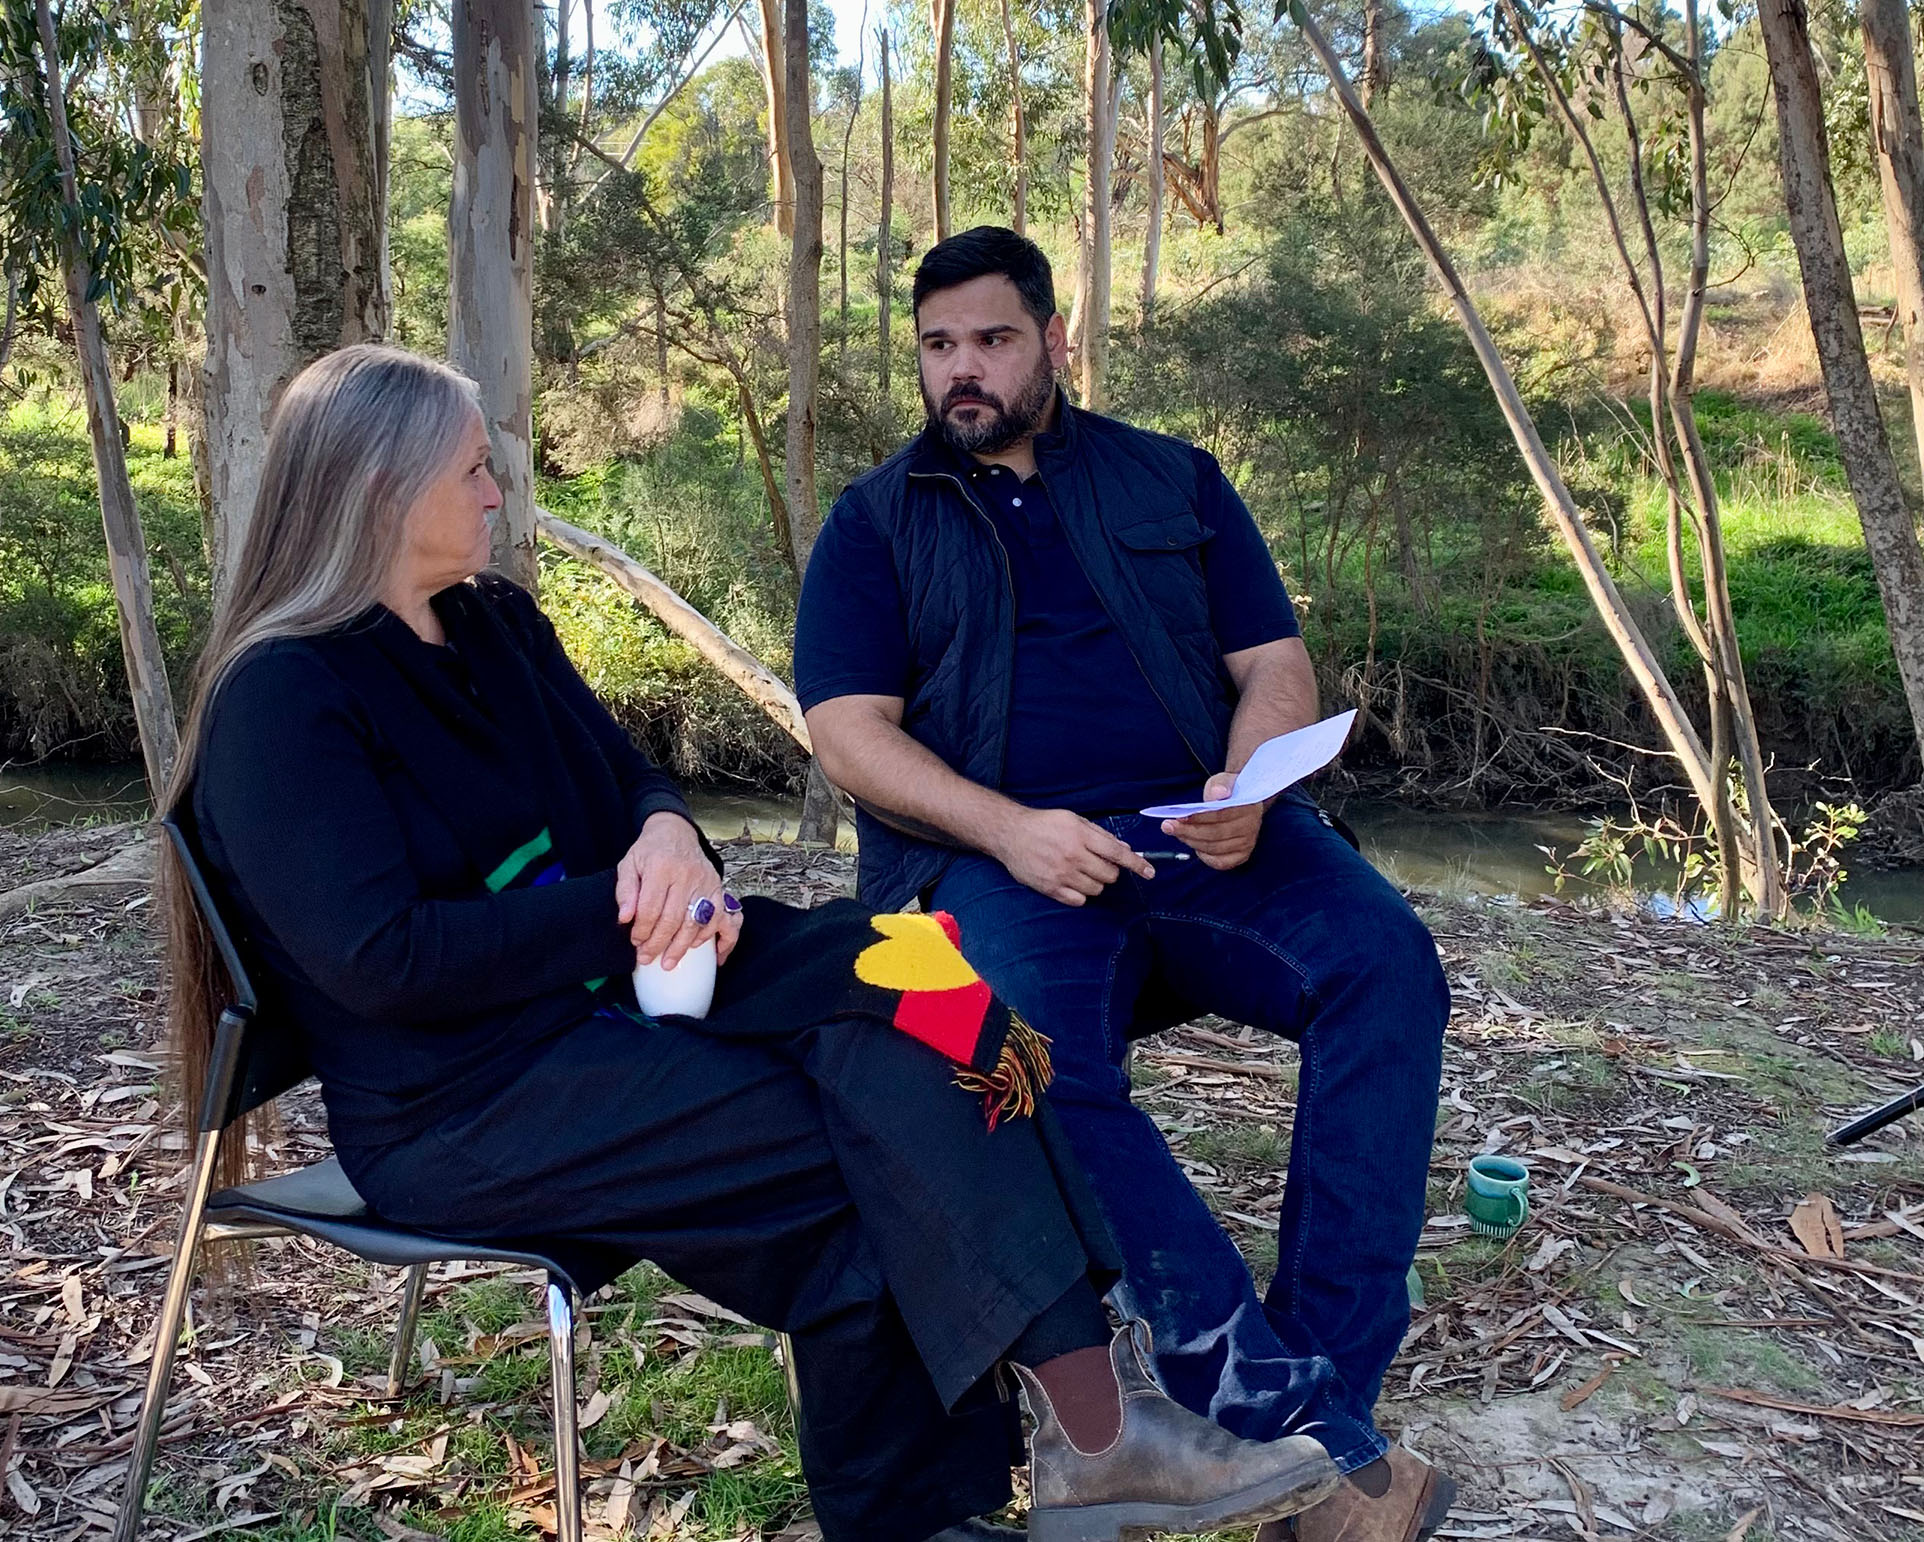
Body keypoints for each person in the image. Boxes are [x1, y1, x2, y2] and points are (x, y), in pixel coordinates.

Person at [158, 342, 1346, 1542]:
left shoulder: (494, 625)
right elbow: (385, 961)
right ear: (378, 491)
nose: (494, 493)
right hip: (465, 1095)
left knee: (925, 980)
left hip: (624, 983)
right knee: (868, 1160)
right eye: (473, 469)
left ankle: (1077, 1428)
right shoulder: (284, 697)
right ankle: (1066, 1445)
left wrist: (669, 835)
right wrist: (630, 907)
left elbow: (628, 777)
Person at [795, 227, 1456, 1542]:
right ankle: (1296, 1434)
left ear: (1053, 339)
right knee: (1021, 1055)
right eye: (938, 347)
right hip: (999, 860)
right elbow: (849, 734)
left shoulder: (1175, 481)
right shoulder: (876, 523)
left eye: (991, 339)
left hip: (1202, 837)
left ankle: (1320, 1398)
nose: (962, 370)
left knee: (1388, 967)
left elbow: (1274, 662)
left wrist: (1248, 785)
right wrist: (1012, 829)